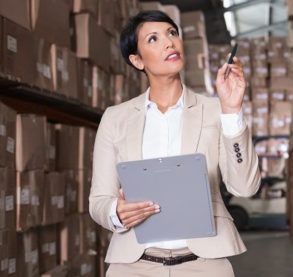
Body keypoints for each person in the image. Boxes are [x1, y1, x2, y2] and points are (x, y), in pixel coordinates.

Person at [89, 10, 261, 277]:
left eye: (172, 33)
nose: (169, 42)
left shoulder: (215, 110)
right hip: (133, 266)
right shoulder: (115, 118)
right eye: (154, 39)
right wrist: (116, 212)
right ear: (136, 60)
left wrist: (232, 112)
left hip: (204, 264)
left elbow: (245, 187)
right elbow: (99, 200)